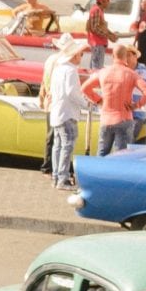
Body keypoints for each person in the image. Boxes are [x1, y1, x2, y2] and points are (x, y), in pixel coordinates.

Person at [85, 42, 146, 156]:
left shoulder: (103, 72)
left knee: (102, 152)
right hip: (124, 117)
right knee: (121, 155)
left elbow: (85, 88)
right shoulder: (131, 74)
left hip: (106, 117)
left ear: (112, 56)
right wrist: (137, 105)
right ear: (125, 57)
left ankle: (98, 173)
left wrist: (99, 100)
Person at [42, 37, 89, 187]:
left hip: (57, 111)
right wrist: (85, 104)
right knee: (67, 144)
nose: (81, 57)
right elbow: (71, 92)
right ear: (74, 55)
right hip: (67, 112)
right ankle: (62, 178)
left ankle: (57, 176)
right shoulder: (70, 70)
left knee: (58, 145)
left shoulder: (59, 68)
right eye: (81, 54)